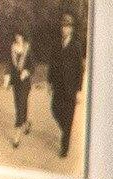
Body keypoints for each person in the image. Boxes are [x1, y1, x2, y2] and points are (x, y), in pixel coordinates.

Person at [44, 7, 84, 160]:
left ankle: (64, 147)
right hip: (58, 86)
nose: (64, 29)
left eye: (67, 26)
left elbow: (80, 69)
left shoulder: (76, 46)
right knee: (55, 110)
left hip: (71, 88)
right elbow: (51, 65)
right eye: (62, 26)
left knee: (69, 117)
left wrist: (79, 91)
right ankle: (65, 131)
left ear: (71, 29)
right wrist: (49, 83)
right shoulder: (55, 45)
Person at [2, 29, 34, 143]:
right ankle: (26, 123)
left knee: (20, 105)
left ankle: (17, 135)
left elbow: (32, 66)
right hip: (16, 82)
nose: (18, 38)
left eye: (20, 35)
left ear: (23, 36)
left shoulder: (27, 48)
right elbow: (9, 65)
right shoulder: (12, 48)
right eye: (16, 35)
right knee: (19, 105)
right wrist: (6, 77)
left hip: (25, 83)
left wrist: (26, 71)